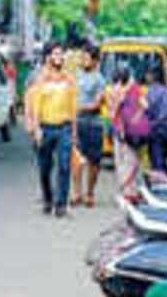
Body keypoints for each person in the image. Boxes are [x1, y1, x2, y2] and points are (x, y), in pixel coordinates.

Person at [28, 42, 78, 217]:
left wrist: (74, 132)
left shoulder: (69, 79)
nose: (59, 57)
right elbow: (35, 106)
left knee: (64, 166)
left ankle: (61, 204)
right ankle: (48, 198)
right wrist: (36, 129)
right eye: (55, 54)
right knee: (45, 168)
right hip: (45, 128)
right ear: (48, 57)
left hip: (64, 127)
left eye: (61, 54)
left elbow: (73, 108)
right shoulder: (40, 79)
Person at [72, 44, 105, 208]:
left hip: (93, 124)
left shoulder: (99, 79)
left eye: (86, 58)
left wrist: (77, 108)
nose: (83, 60)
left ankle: (90, 193)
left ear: (95, 60)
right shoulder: (75, 77)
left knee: (94, 161)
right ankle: (77, 193)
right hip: (76, 123)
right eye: (82, 57)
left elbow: (97, 105)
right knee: (76, 158)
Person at [112, 64, 145, 202]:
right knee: (124, 162)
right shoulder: (126, 90)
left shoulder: (133, 90)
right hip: (121, 131)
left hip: (128, 132)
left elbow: (144, 106)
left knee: (128, 162)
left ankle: (130, 192)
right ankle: (129, 191)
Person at [145, 63, 167, 173]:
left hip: (156, 134)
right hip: (165, 133)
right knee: (166, 164)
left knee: (157, 164)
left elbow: (150, 113)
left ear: (152, 76)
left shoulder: (150, 92)